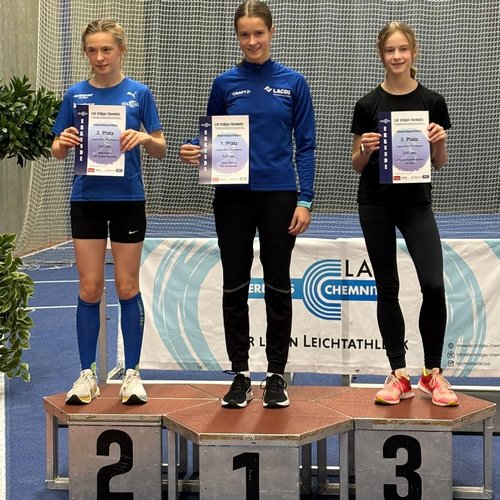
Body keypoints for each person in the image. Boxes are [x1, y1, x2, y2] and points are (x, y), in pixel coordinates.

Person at [179, 0, 316, 409]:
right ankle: (240, 374)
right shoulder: (224, 84)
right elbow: (213, 139)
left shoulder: (293, 83)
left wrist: (305, 199)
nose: (252, 41)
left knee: (278, 286)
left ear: (271, 32)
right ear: (237, 36)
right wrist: (195, 151)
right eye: (244, 34)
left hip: (279, 197)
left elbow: (306, 146)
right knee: (235, 286)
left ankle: (276, 375)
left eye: (258, 33)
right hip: (232, 199)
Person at [51, 19, 166, 405]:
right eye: (92, 50)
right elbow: (56, 148)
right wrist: (64, 142)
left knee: (127, 287)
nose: (99, 57)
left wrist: (144, 137)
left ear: (121, 50)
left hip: (128, 199)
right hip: (86, 200)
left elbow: (161, 148)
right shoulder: (74, 95)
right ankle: (87, 374)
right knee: (89, 287)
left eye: (106, 49)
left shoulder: (139, 94)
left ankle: (132, 373)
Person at [351, 21, 458, 407]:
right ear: (381, 55)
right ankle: (398, 374)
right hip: (375, 204)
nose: (396, 56)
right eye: (389, 50)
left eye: (402, 49)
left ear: (413, 52)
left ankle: (432, 373)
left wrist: (439, 142)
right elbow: (356, 164)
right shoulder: (368, 105)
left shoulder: (433, 101)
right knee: (388, 288)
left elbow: (439, 163)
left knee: (433, 285)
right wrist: (365, 149)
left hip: (416, 205)